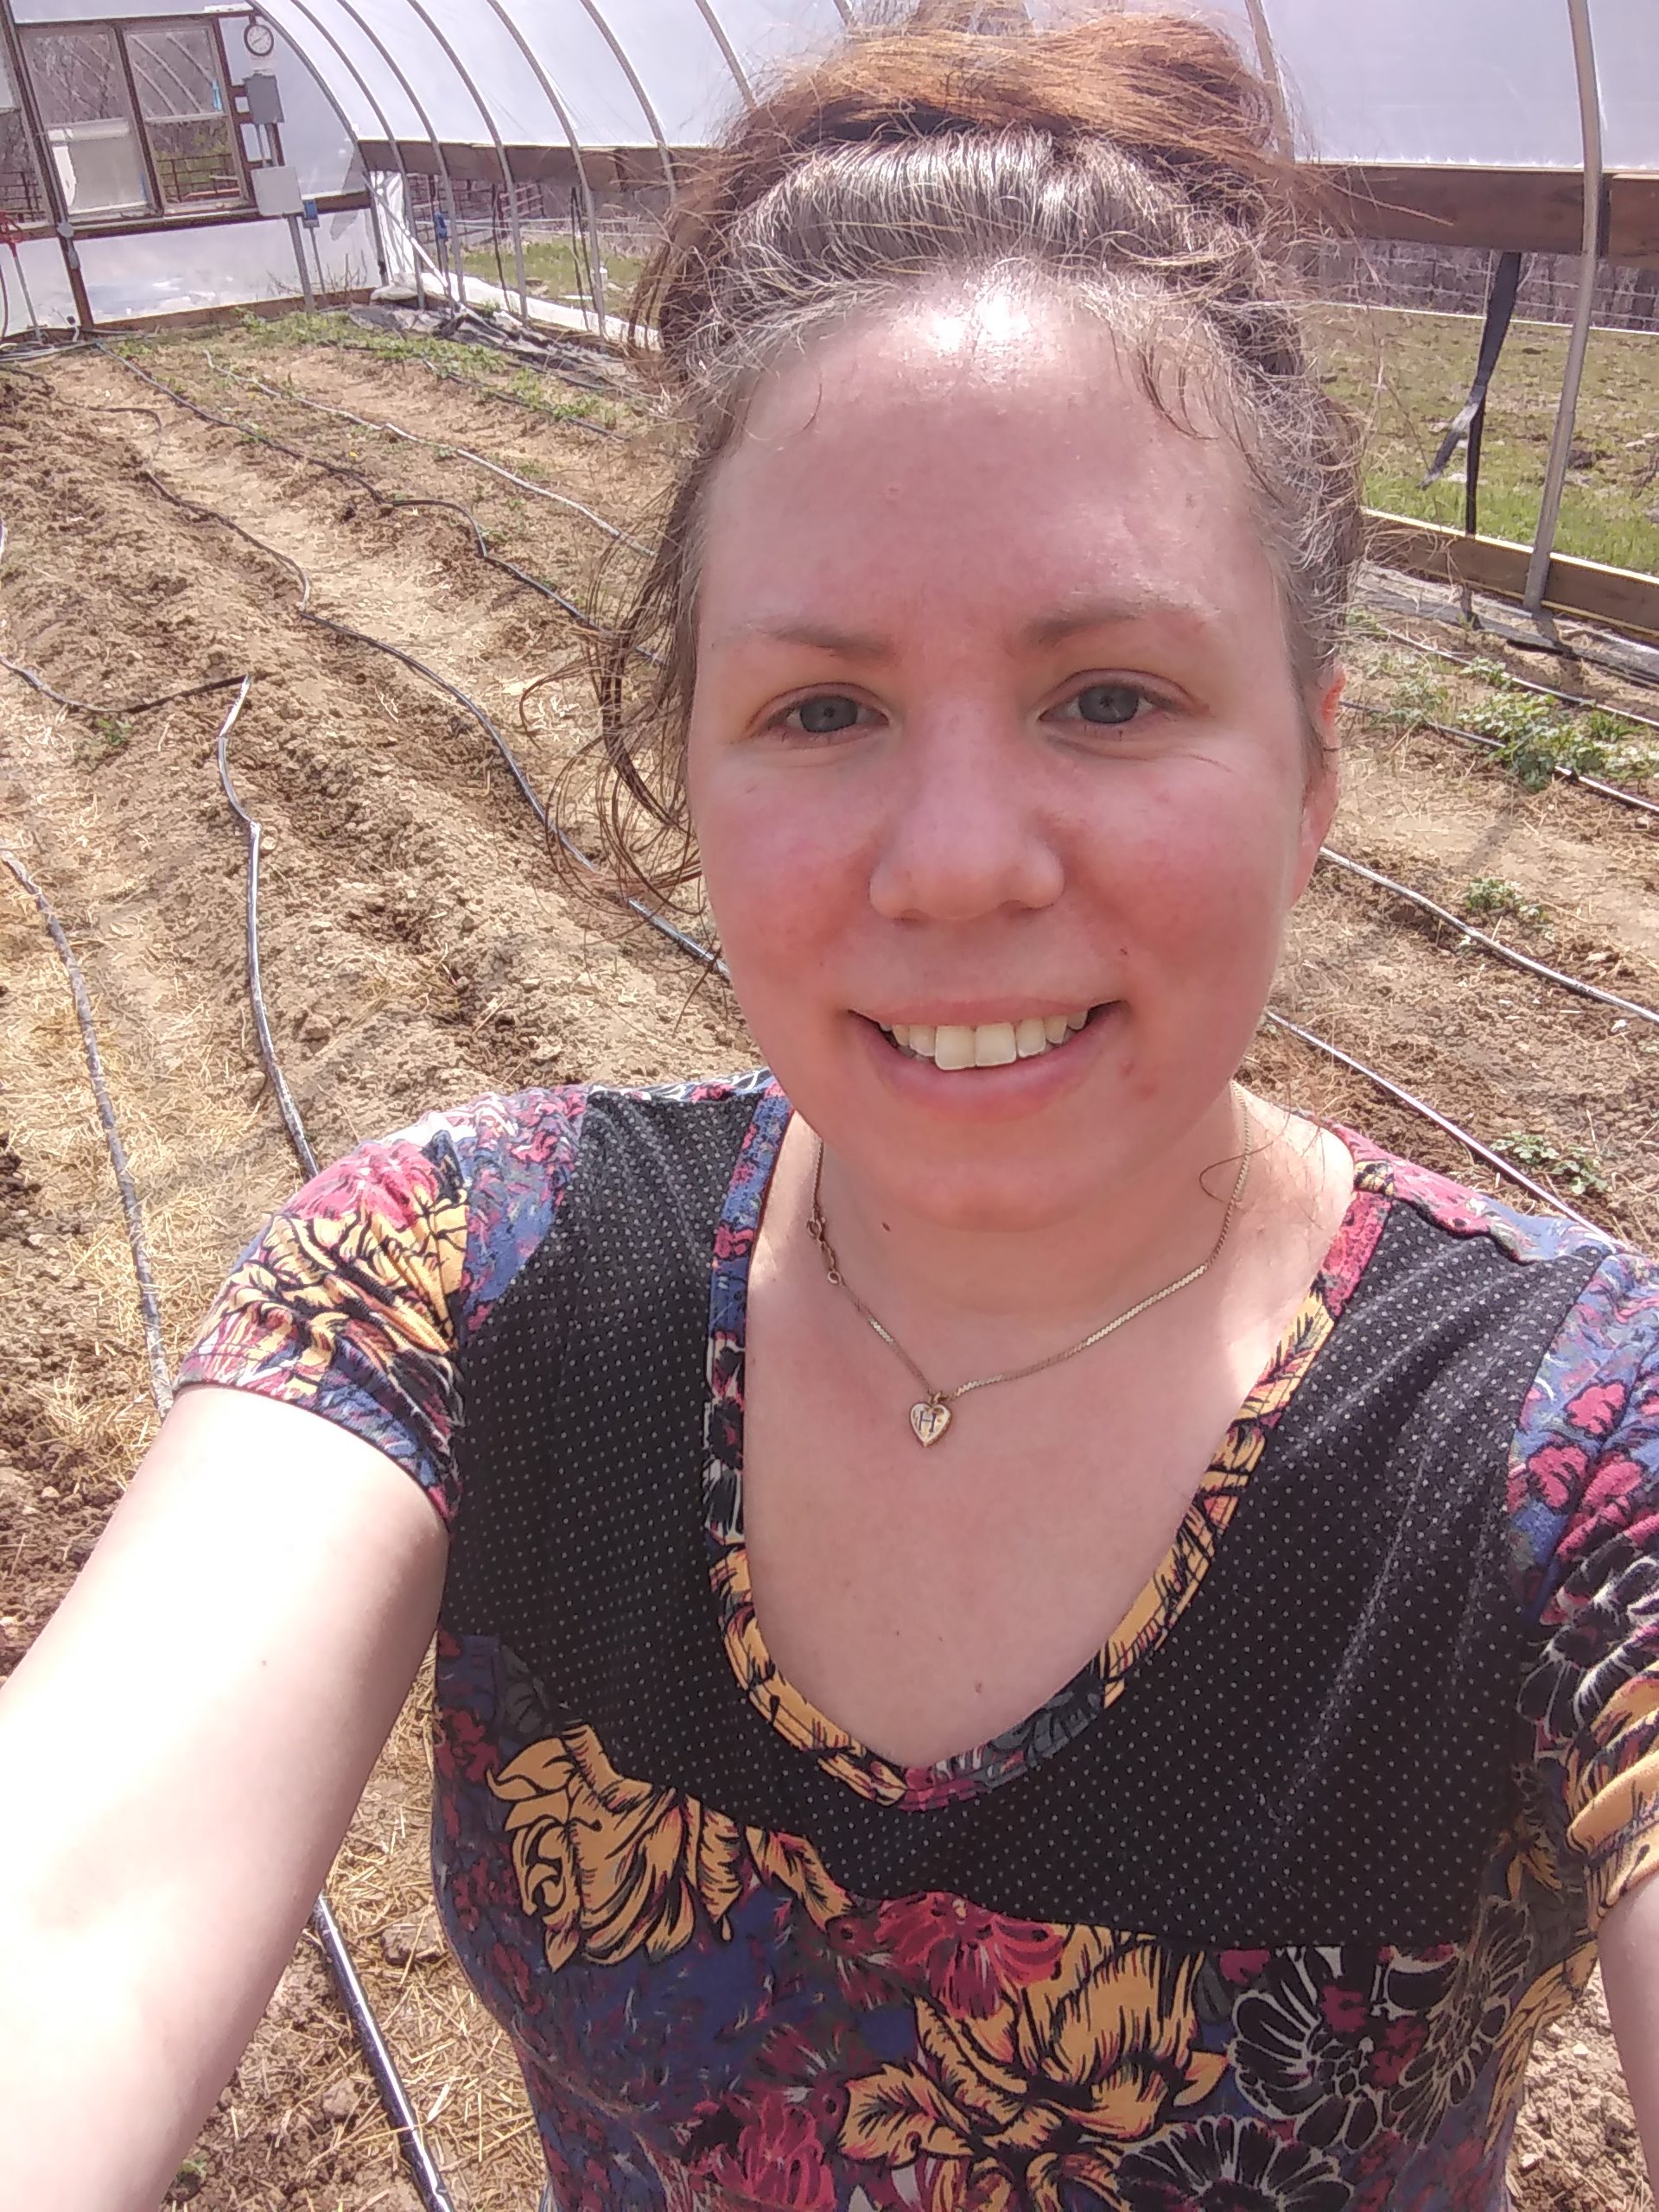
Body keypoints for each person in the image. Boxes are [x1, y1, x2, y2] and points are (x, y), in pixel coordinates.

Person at [3, 10, 1656, 2209]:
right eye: (822, 707)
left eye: (1110, 694)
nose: (957, 861)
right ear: (690, 758)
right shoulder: (463, 1280)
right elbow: (70, 1920)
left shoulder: (1565, 1451)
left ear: (1317, 766)